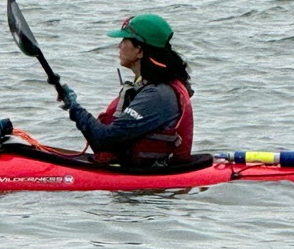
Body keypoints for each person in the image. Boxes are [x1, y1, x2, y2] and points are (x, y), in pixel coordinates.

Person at [60, 13, 194, 169]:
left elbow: (105, 140)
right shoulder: (144, 85)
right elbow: (107, 143)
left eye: (124, 40)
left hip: (149, 181)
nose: (119, 46)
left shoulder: (158, 95)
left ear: (140, 51)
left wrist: (75, 108)